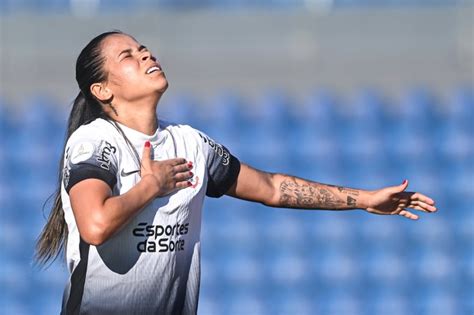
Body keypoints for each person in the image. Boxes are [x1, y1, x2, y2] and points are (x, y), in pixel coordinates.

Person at [35, 31, 437, 315]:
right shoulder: (95, 141)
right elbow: (96, 224)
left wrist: (364, 200)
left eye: (144, 49)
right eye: (128, 56)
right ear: (102, 90)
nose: (146, 55)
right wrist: (151, 186)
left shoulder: (191, 143)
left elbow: (271, 187)